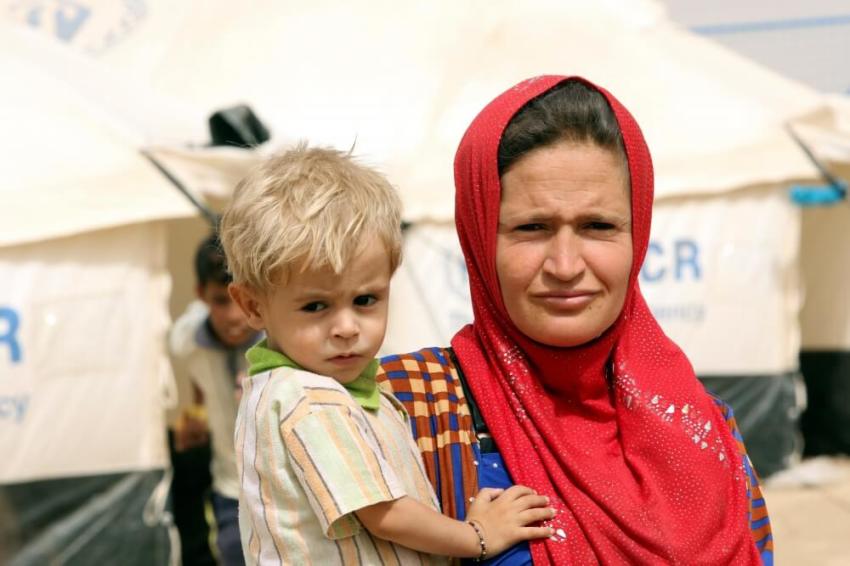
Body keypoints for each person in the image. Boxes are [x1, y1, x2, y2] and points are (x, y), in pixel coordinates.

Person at [378, 76, 774, 565]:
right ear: (480, 237)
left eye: (598, 226)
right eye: (531, 228)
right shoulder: (401, 410)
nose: (565, 266)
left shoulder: (706, 428)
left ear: (638, 232)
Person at [220, 145, 556, 565]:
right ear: (252, 306)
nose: (346, 327)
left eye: (365, 299)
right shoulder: (310, 399)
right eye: (315, 307)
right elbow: (385, 513)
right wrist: (477, 535)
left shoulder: (295, 388)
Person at [170, 233, 260, 566]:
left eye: (244, 299)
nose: (236, 315)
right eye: (222, 300)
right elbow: (197, 373)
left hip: (287, 493)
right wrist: (195, 411)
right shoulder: (187, 340)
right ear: (202, 296)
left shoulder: (285, 342)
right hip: (229, 490)